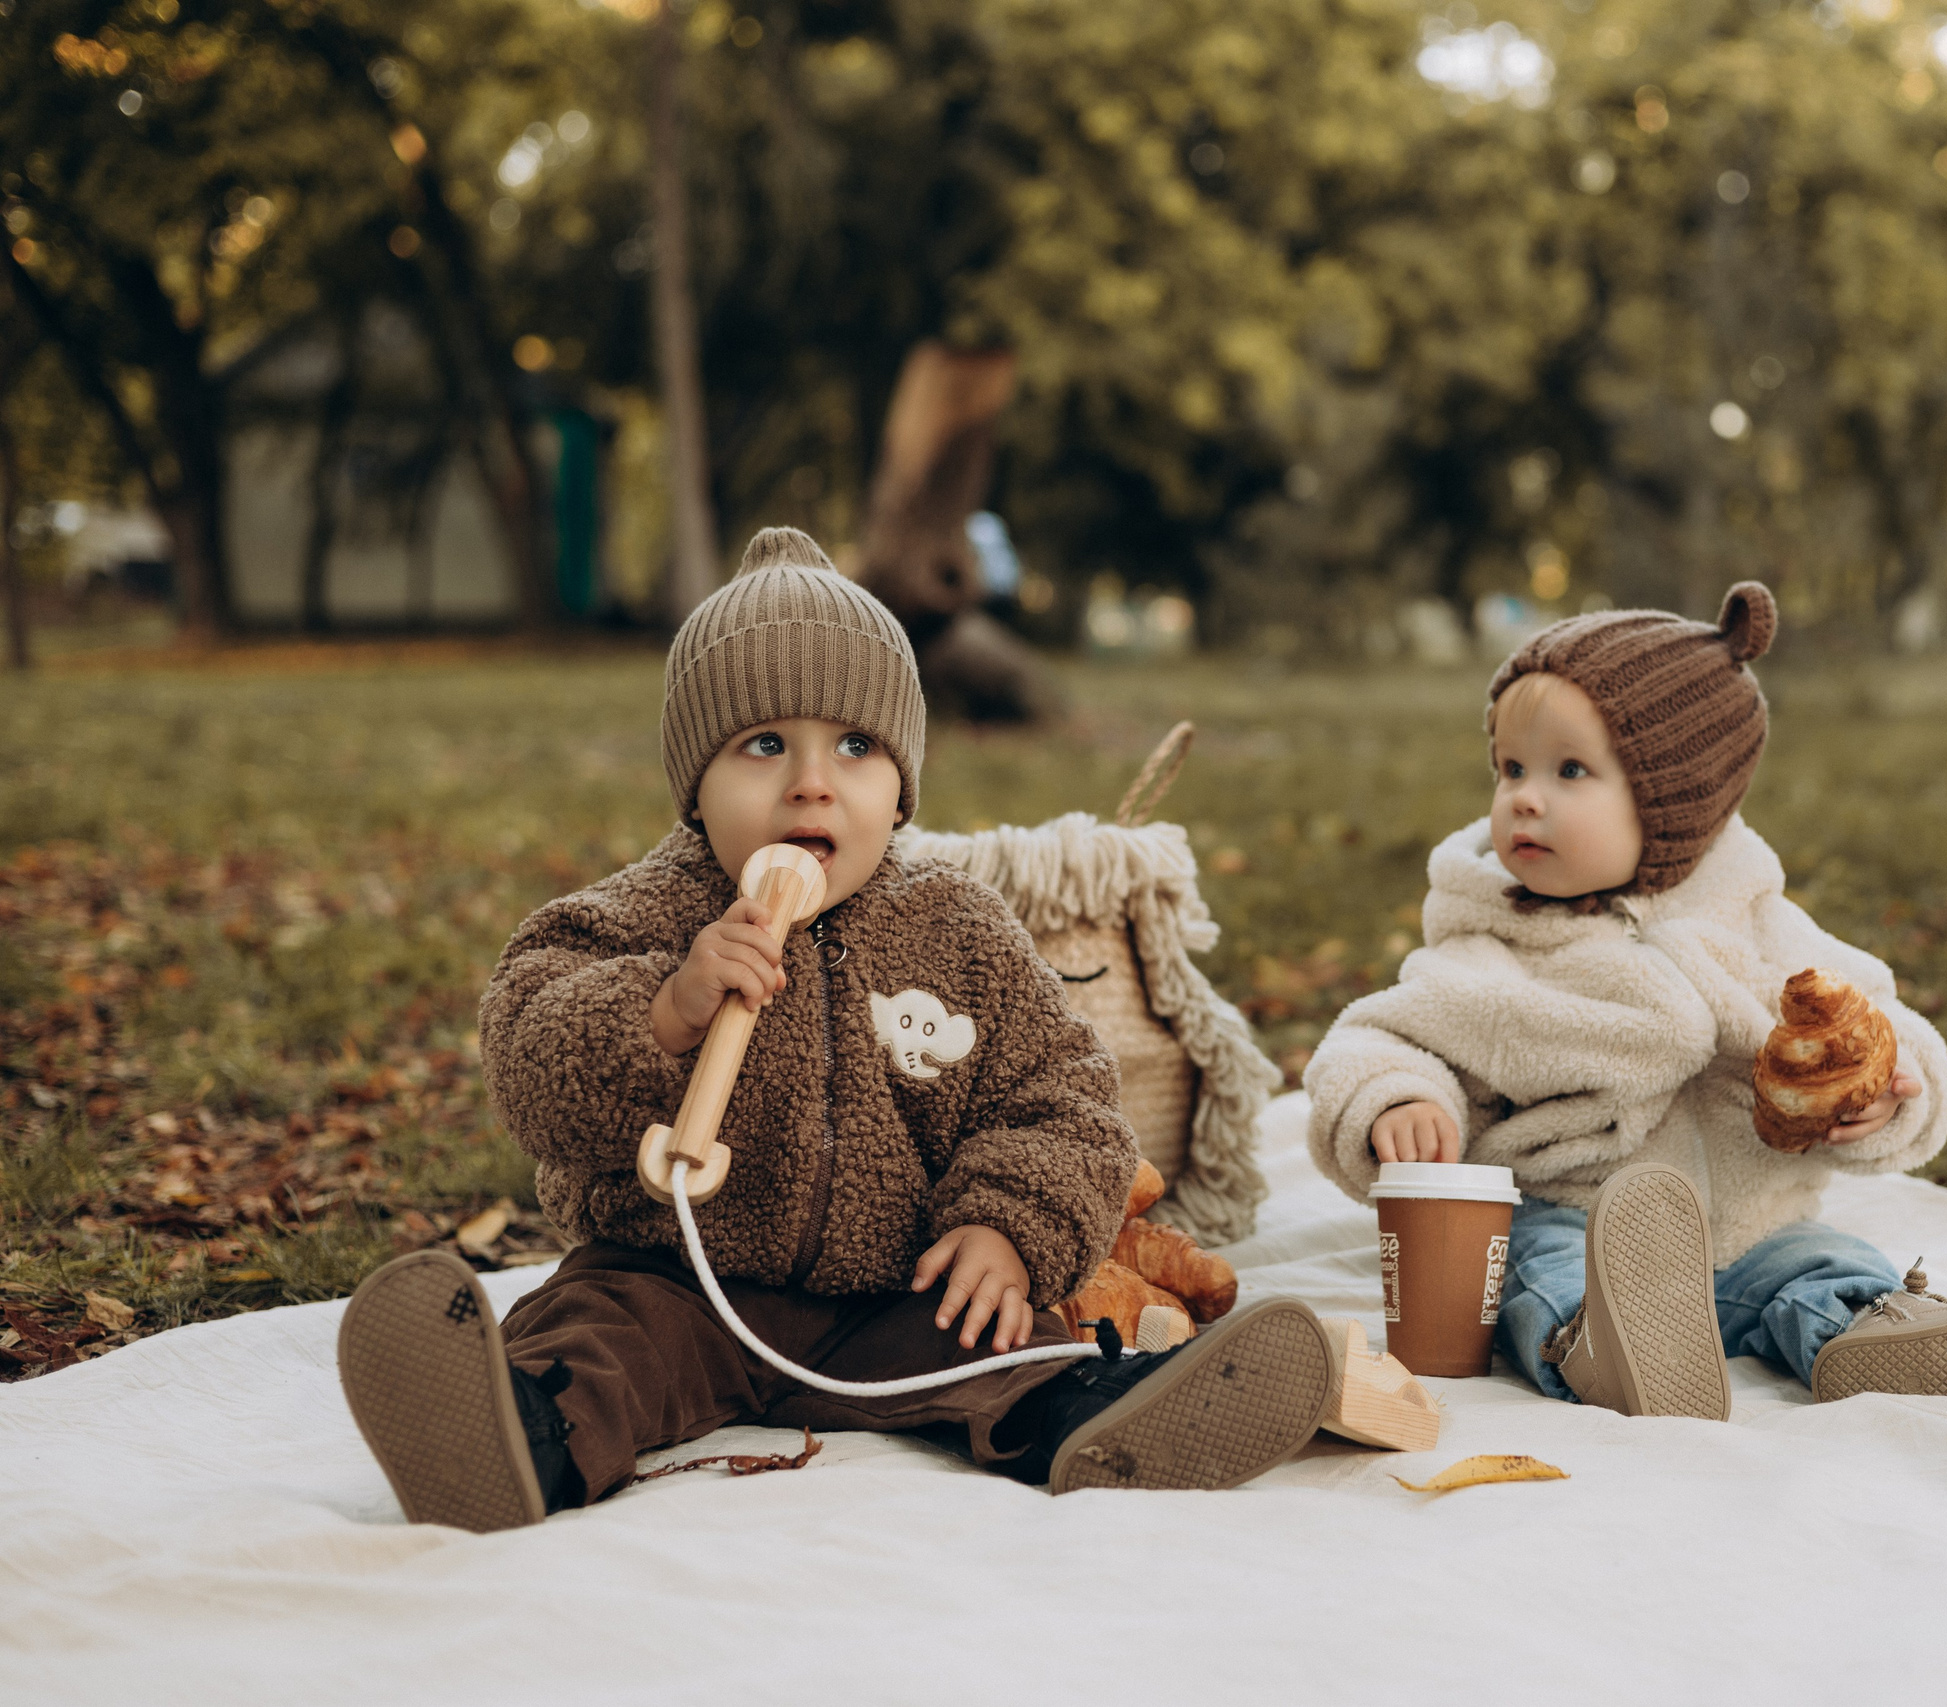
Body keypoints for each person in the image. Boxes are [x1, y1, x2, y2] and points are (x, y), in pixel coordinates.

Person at [336, 529, 1328, 1531]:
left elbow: (1063, 1099)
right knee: (591, 1343)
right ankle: (514, 1441)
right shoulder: (636, 917)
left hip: (894, 1290)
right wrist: (665, 1008)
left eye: (855, 747)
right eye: (764, 745)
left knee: (1003, 1341)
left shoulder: (959, 929)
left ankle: (1092, 1421)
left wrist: (1006, 1227)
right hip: (674, 1277)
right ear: (693, 788)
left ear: (901, 788)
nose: (813, 783)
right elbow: (529, 1055)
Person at [1303, 587, 1947, 1419]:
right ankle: (1603, 1344)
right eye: (1510, 769)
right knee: (1531, 1273)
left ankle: (1878, 1338)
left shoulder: (1757, 923)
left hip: (1756, 1232)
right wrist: (1396, 1098)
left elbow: (1872, 1017)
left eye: (1569, 770)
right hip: (1581, 1221)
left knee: (1826, 1262)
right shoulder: (1492, 943)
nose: (1524, 798)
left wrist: (1892, 1084)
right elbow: (1381, 1036)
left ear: (1673, 799)